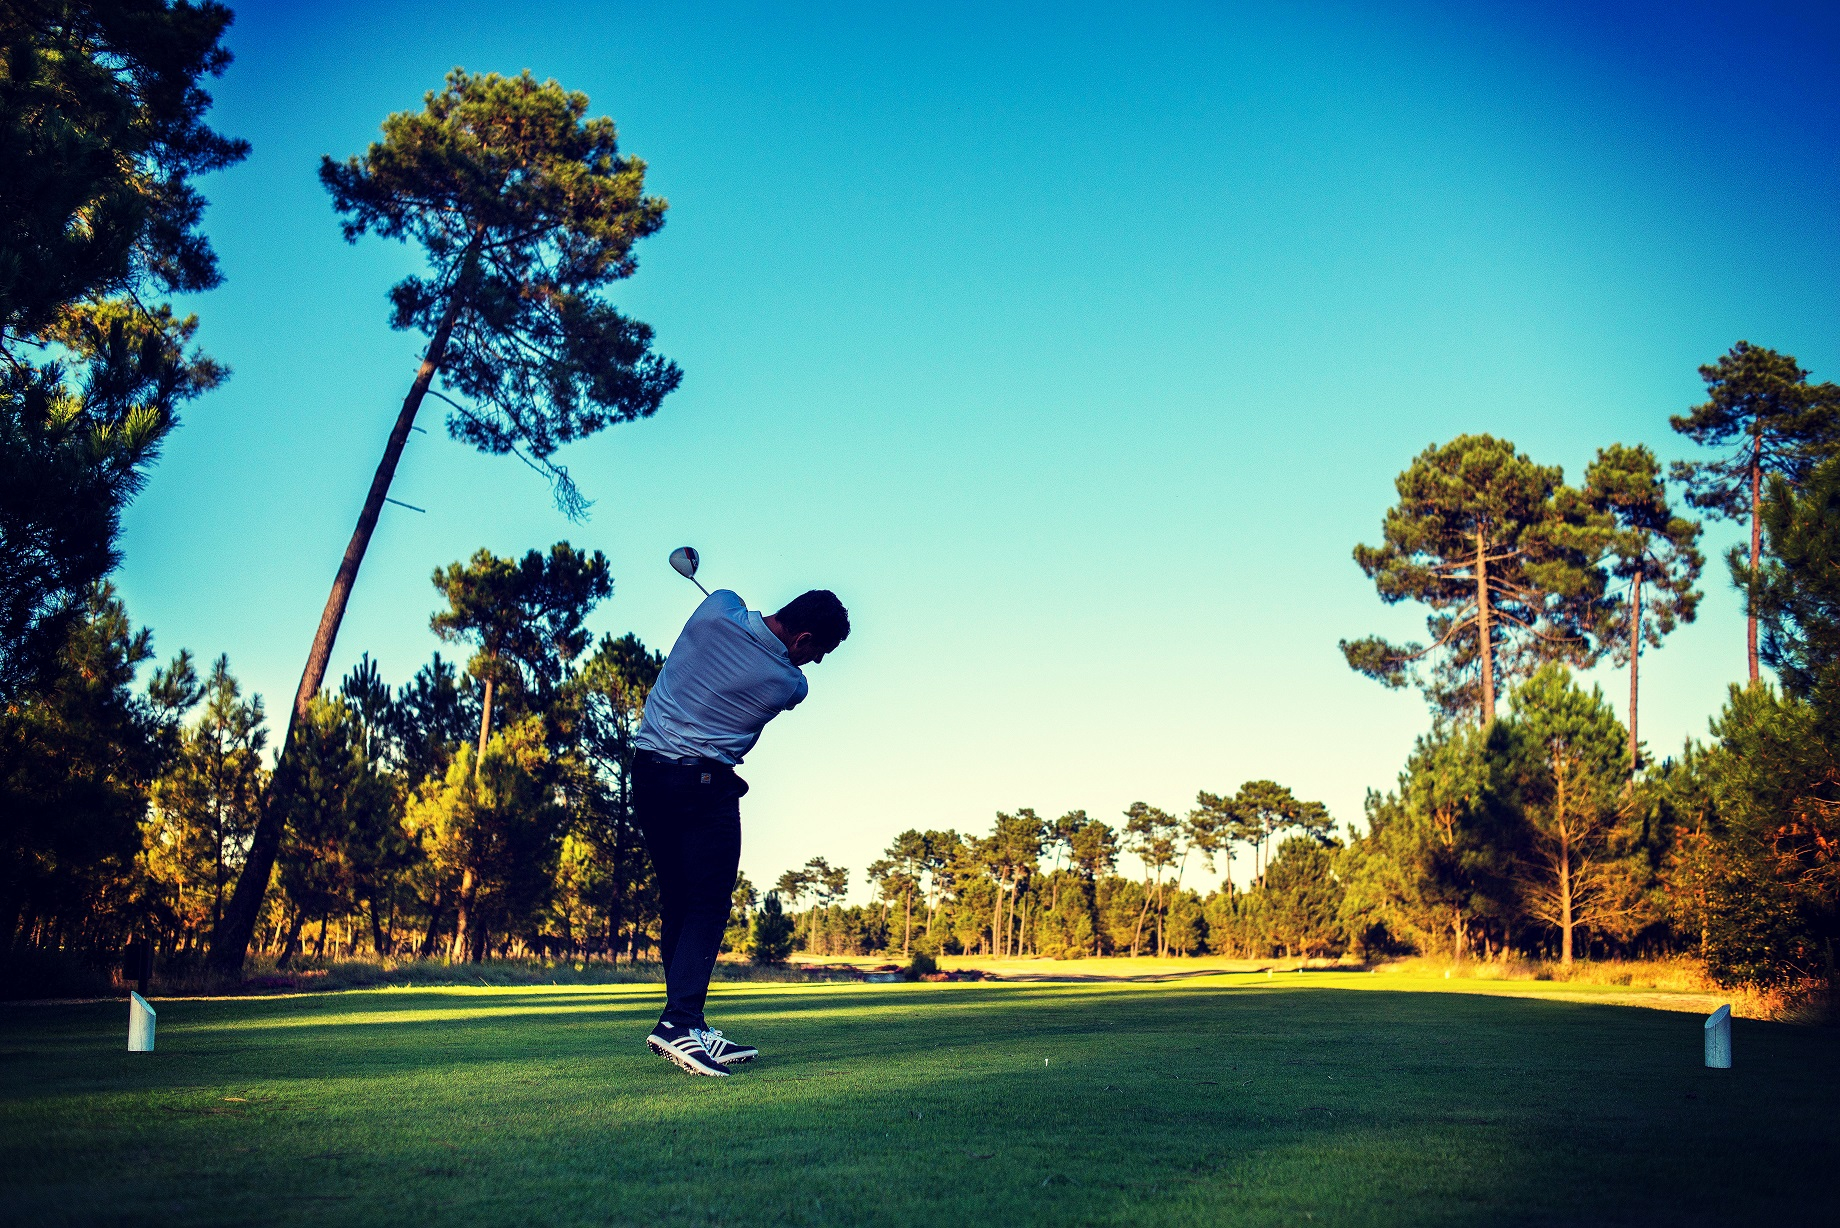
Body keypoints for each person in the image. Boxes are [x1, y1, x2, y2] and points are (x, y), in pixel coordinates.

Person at [631, 586, 850, 1076]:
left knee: (678, 902)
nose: (815, 662)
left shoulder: (716, 606)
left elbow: (735, 609)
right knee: (707, 905)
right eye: (819, 651)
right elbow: (789, 672)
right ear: (803, 639)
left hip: (647, 777)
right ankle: (678, 1022)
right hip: (703, 788)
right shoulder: (788, 683)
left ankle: (689, 1022)